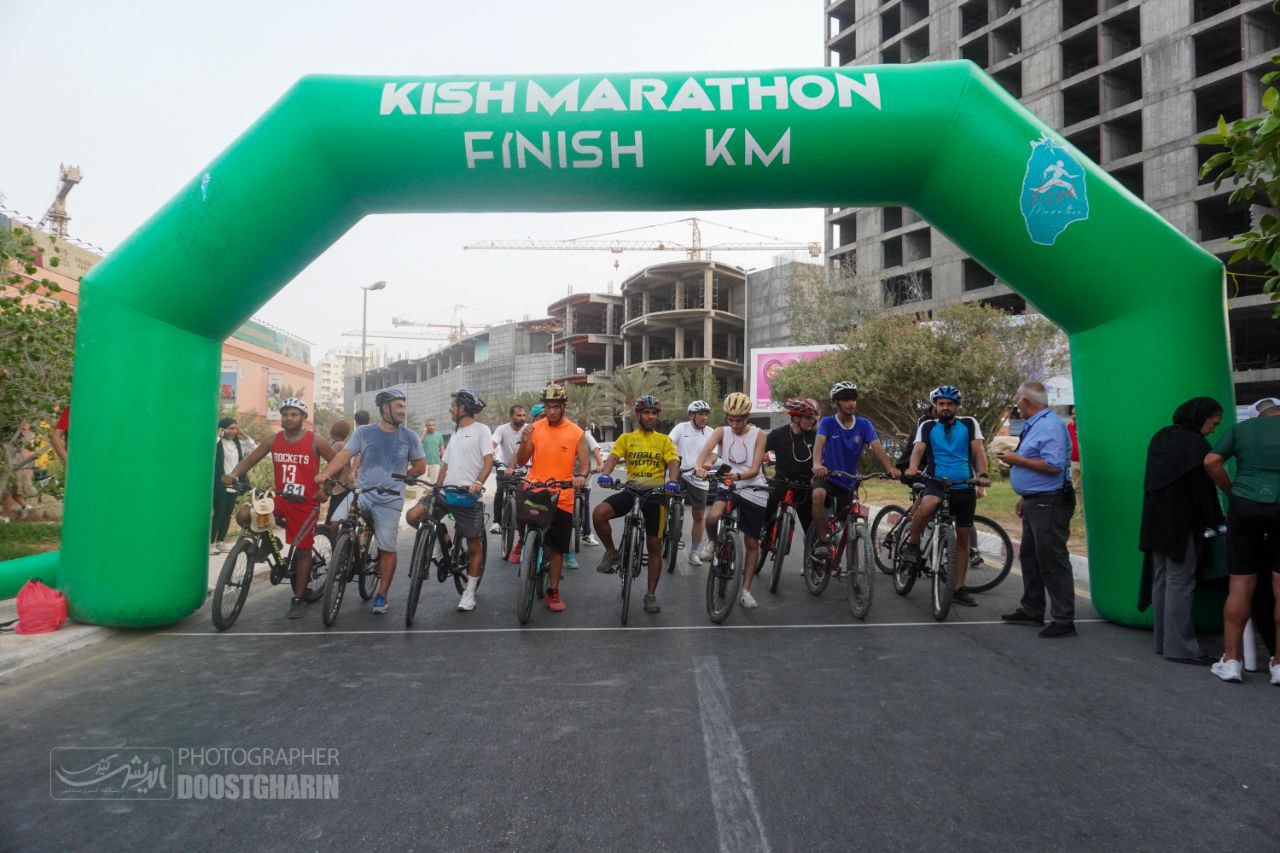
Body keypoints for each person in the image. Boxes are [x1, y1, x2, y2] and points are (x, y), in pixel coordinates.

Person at [316, 388, 425, 615]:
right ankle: (344, 557)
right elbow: (344, 456)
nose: (403, 411)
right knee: (335, 523)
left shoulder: (410, 437)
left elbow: (420, 466)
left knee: (387, 548)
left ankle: (381, 595)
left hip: (390, 499)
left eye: (404, 406)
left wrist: (409, 475)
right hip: (363, 493)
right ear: (385, 408)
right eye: (399, 406)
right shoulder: (364, 432)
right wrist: (326, 473)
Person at [224, 399, 337, 618]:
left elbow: (339, 464)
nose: (288, 418)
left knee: (303, 551)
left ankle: (298, 598)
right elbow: (251, 459)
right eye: (285, 414)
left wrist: (327, 489)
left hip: (306, 503)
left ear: (303, 418)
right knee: (245, 515)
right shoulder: (273, 440)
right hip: (280, 498)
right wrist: (234, 474)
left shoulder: (316, 440)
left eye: (294, 414)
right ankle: (269, 543)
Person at [1137, 397, 1224, 666]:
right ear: (1201, 417)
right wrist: (1217, 520)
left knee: (1162, 578)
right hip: (1182, 522)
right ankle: (1181, 648)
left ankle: (1163, 641)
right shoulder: (1197, 445)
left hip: (1154, 520)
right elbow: (1203, 490)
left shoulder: (1162, 438)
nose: (1213, 429)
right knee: (1181, 581)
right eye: (1213, 423)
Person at [1204, 396, 1280, 684]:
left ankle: (1232, 661)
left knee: (1240, 585)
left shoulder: (1241, 429)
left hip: (1245, 506)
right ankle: (1279, 665)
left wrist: (1232, 491)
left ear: (1256, 416)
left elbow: (1211, 460)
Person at [998, 381, 1077, 638]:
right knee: (1031, 556)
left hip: (1050, 501)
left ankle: (1064, 619)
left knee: (1051, 558)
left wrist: (1016, 460)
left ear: (1025, 401)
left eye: (1017, 399)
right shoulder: (1036, 424)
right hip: (1037, 498)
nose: (1016, 404)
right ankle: (1032, 609)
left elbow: (1054, 465)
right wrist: (1025, 495)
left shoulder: (1050, 425)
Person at [902, 386, 991, 607]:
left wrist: (982, 475)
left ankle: (958, 588)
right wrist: (912, 467)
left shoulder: (969, 423)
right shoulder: (927, 425)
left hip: (964, 483)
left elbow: (979, 451)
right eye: (941, 404)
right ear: (935, 406)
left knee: (963, 538)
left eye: (949, 404)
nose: (945, 407)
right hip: (936, 479)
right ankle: (913, 543)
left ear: (956, 407)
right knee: (928, 504)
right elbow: (918, 450)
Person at [406, 390, 493, 612]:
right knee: (413, 516)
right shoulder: (455, 433)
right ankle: (440, 542)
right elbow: (445, 464)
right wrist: (436, 486)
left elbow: (488, 461)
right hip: (445, 493)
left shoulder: (481, 430)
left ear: (463, 408)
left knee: (474, 546)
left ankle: (469, 592)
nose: (450, 409)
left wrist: (478, 482)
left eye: (453, 405)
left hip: (468, 496)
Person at [593, 395, 680, 614]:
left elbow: (673, 462)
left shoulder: (664, 440)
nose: (650, 417)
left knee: (654, 545)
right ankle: (612, 552)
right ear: (638, 415)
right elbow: (613, 458)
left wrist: (673, 481)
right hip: (631, 490)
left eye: (654, 413)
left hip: (656, 494)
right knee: (599, 513)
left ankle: (650, 595)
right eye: (646, 413)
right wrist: (605, 474)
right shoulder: (626, 438)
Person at [515, 384, 589, 612]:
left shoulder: (576, 432)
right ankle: (526, 549)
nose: (552, 411)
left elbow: (585, 465)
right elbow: (521, 461)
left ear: (564, 406)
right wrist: (525, 440)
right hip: (536, 491)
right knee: (523, 520)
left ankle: (553, 590)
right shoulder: (534, 428)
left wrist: (580, 477)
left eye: (556, 406)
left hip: (562, 495)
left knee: (557, 547)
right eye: (548, 406)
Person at [695, 392, 769, 608]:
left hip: (754, 486)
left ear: (747, 417)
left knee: (752, 543)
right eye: (731, 419)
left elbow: (755, 469)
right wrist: (700, 466)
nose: (734, 425)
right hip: (729, 484)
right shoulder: (721, 431)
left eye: (739, 420)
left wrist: (737, 476)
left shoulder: (759, 435)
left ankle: (745, 591)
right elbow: (705, 452)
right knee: (713, 517)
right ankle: (713, 542)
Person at [811, 381, 901, 548]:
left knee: (851, 522)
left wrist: (890, 468)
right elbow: (818, 444)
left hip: (849, 481)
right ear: (836, 402)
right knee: (818, 495)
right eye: (846, 399)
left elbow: (877, 446)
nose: (851, 403)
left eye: (853, 399)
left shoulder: (864, 424)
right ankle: (822, 541)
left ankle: (853, 561)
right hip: (828, 476)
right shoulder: (827, 422)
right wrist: (817, 464)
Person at [760, 397, 819, 570]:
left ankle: (814, 561)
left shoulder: (814, 436)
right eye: (808, 418)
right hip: (782, 482)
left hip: (804, 486)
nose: (812, 421)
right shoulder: (778, 434)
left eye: (813, 418)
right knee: (768, 509)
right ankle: (763, 534)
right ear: (796, 418)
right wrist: (757, 471)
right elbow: (759, 451)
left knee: (811, 527)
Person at [668, 399, 717, 570]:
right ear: (691, 415)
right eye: (700, 414)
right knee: (665, 497)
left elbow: (713, 454)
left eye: (706, 414)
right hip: (680, 472)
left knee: (699, 515)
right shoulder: (681, 428)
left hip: (698, 476)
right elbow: (669, 442)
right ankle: (666, 526)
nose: (704, 417)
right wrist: (672, 458)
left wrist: (708, 463)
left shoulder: (711, 432)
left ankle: (694, 552)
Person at [211, 417, 255, 554]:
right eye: (231, 428)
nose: (234, 431)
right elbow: (210, 448)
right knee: (219, 512)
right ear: (223, 429)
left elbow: (253, 447)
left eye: (235, 428)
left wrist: (243, 434)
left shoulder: (238, 444)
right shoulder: (218, 443)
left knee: (227, 513)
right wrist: (219, 435)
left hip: (235, 483)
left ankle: (221, 542)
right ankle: (211, 543)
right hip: (220, 483)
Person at [489, 405, 528, 535]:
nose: (522, 418)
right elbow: (492, 445)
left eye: (524, 415)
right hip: (504, 465)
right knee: (500, 490)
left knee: (523, 494)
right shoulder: (502, 429)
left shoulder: (528, 429)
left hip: (523, 467)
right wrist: (490, 455)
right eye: (519, 415)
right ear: (511, 417)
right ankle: (496, 522)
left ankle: (520, 521)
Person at [578, 430, 604, 547]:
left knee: (585, 505)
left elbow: (595, 450)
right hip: (569, 475)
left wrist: (600, 464)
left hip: (585, 475)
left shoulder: (586, 436)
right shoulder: (565, 434)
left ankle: (586, 534)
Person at [420, 419, 444, 485]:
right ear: (426, 426)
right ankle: (421, 493)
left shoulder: (439, 435)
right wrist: (424, 432)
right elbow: (418, 443)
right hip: (424, 463)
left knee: (434, 483)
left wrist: (444, 461)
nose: (431, 427)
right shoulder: (423, 435)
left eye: (433, 425)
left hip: (436, 463)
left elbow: (441, 448)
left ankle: (433, 492)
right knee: (421, 483)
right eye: (429, 425)